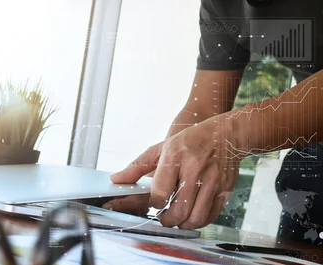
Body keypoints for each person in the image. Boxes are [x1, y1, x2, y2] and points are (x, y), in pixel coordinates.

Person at [105, 0, 323, 243]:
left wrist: (231, 134)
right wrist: (156, 183)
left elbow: (217, 131)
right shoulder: (219, 5)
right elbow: (204, 107)